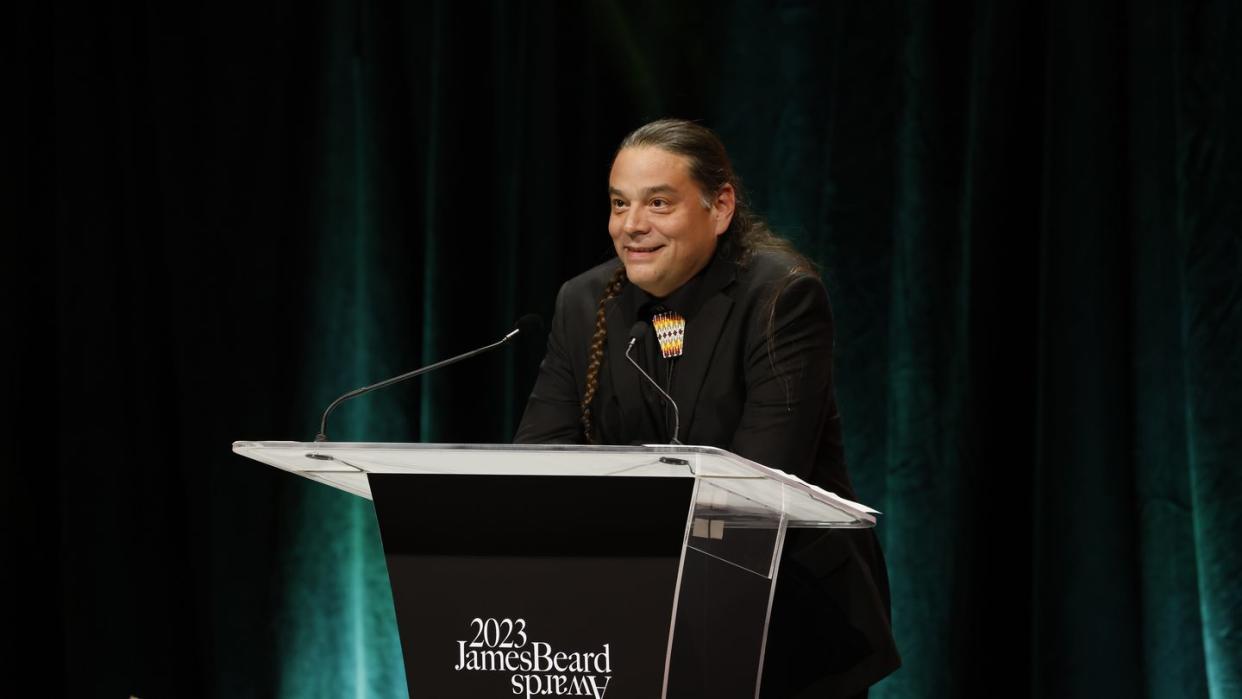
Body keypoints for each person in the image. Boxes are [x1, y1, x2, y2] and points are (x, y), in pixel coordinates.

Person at [514, 118, 899, 698]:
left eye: (659, 203)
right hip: (630, 614)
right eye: (619, 205)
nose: (632, 226)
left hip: (787, 619)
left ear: (719, 207)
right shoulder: (584, 301)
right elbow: (538, 458)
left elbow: (758, 486)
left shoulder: (781, 295)